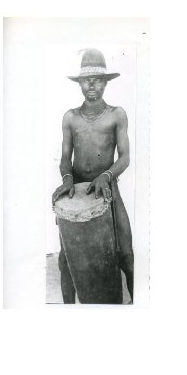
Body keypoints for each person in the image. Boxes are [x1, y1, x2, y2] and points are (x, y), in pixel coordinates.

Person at [52, 48, 134, 304]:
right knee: (66, 261)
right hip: (77, 189)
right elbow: (66, 156)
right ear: (79, 83)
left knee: (126, 253)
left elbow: (125, 157)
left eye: (97, 79)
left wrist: (106, 176)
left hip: (108, 188)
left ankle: (137, 308)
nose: (91, 85)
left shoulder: (116, 115)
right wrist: (67, 178)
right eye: (86, 79)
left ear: (106, 82)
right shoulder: (70, 118)